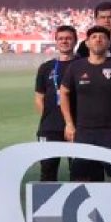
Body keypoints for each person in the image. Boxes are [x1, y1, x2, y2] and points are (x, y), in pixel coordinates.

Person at [60, 26, 111, 182]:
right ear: (87, 43)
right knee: (80, 177)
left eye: (102, 37)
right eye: (94, 37)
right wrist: (68, 123)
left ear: (108, 43)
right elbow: (64, 93)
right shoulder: (76, 67)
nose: (98, 39)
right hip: (84, 131)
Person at [34, 25, 77, 182]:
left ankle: (77, 206)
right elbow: (39, 97)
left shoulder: (83, 64)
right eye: (61, 38)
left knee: (79, 172)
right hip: (50, 128)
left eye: (68, 38)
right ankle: (47, 207)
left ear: (75, 41)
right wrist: (49, 118)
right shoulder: (46, 68)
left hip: (76, 127)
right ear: (56, 42)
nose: (64, 41)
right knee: (47, 172)